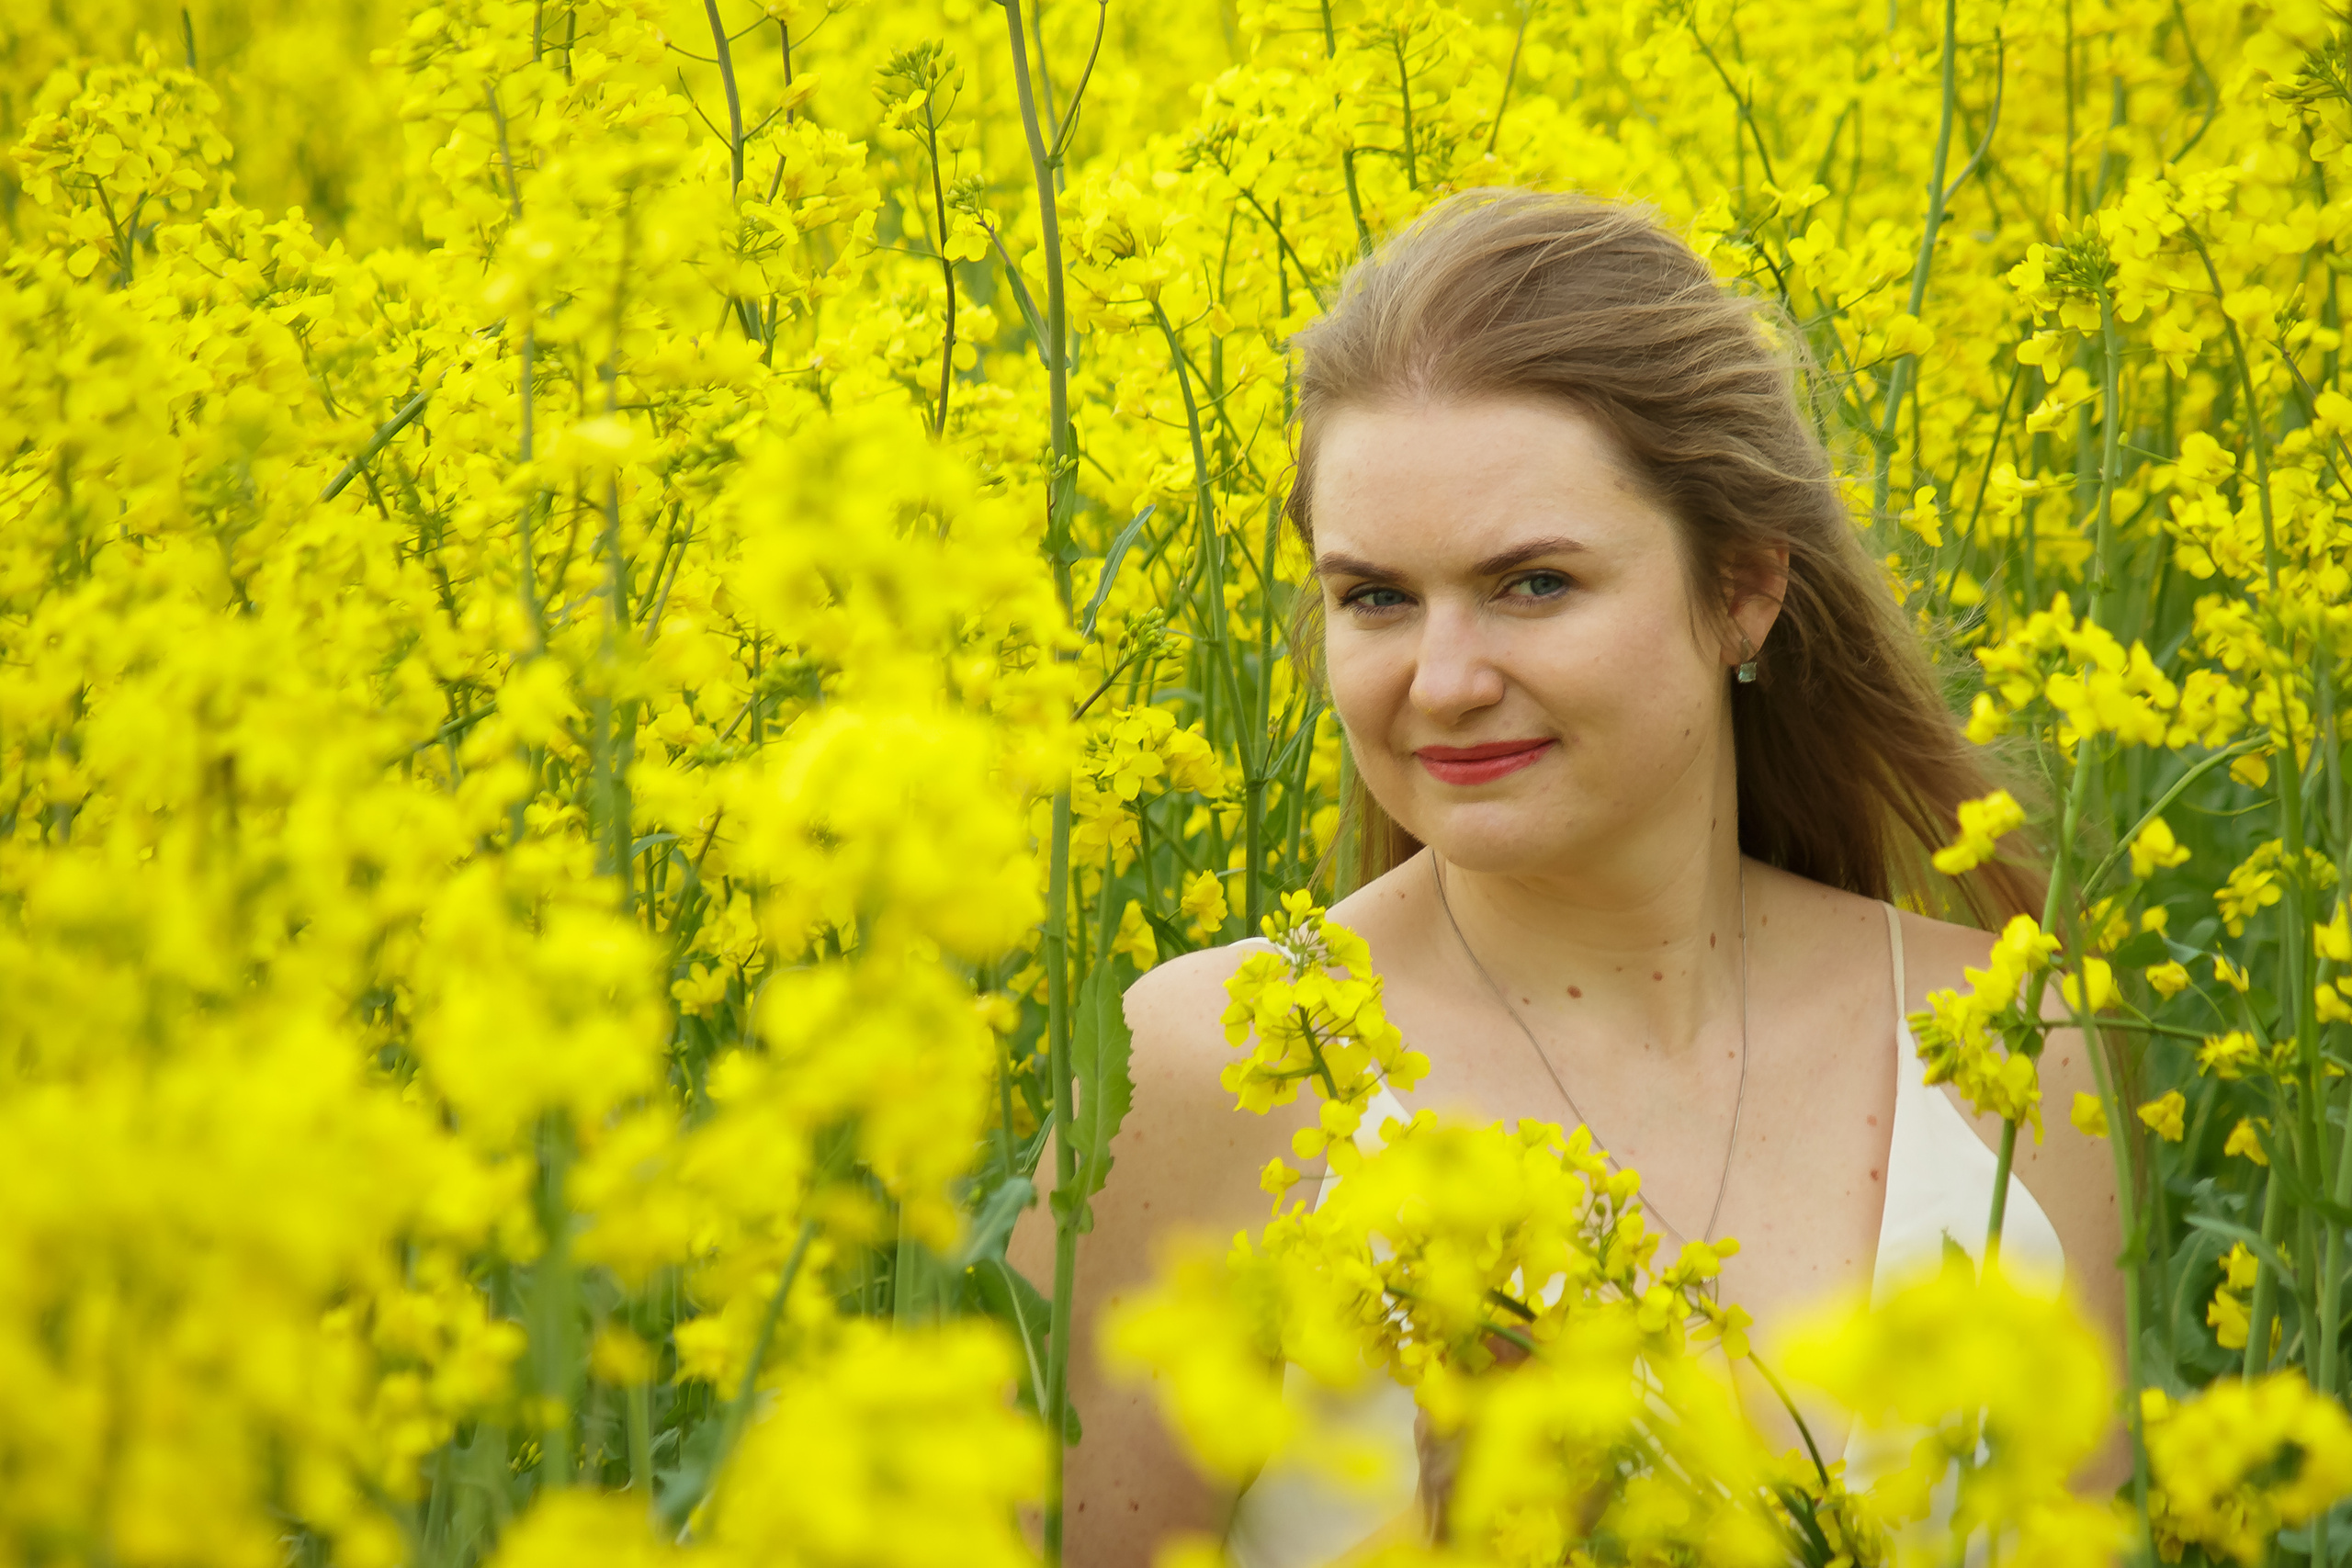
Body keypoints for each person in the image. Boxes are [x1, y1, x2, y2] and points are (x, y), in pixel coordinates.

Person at [1007, 189, 2125, 1568]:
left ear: (1744, 590)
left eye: (1533, 583)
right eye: (1375, 597)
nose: (1443, 682)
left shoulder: (2011, 1034)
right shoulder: (1209, 1069)